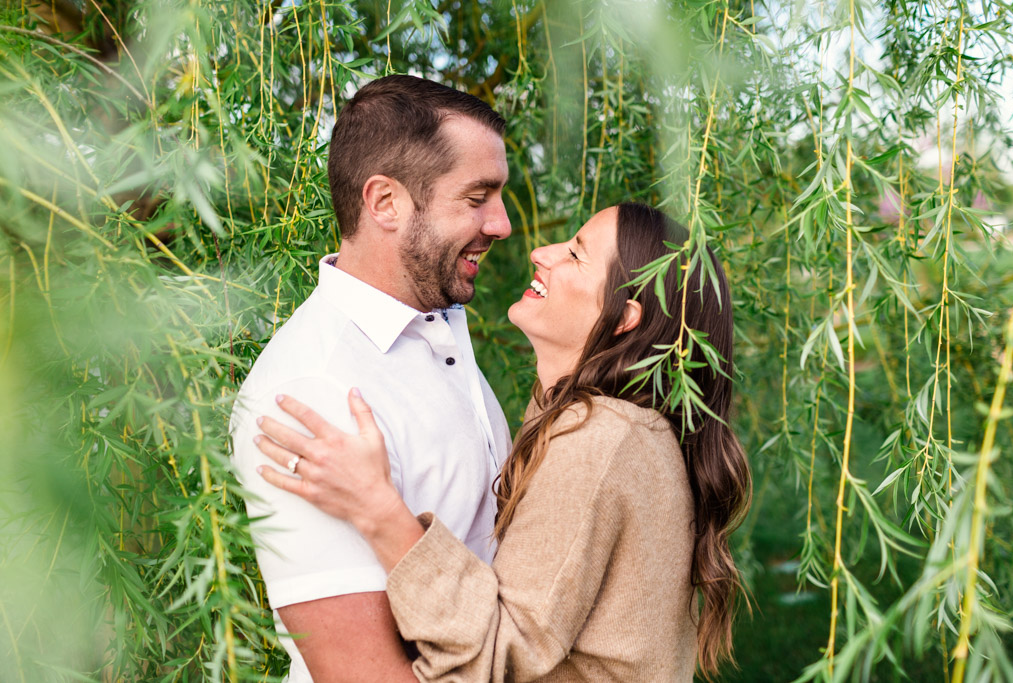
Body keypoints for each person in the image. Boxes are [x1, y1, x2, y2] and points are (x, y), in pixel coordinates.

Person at [254, 203, 752, 681]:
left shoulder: (601, 437)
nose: (541, 252)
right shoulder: (617, 428)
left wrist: (378, 510)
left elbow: (501, 654)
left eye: (576, 254)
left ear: (624, 317)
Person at [230, 75, 514, 682]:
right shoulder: (312, 392)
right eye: (477, 198)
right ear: (385, 202)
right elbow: (360, 673)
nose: (502, 224)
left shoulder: (436, 327)